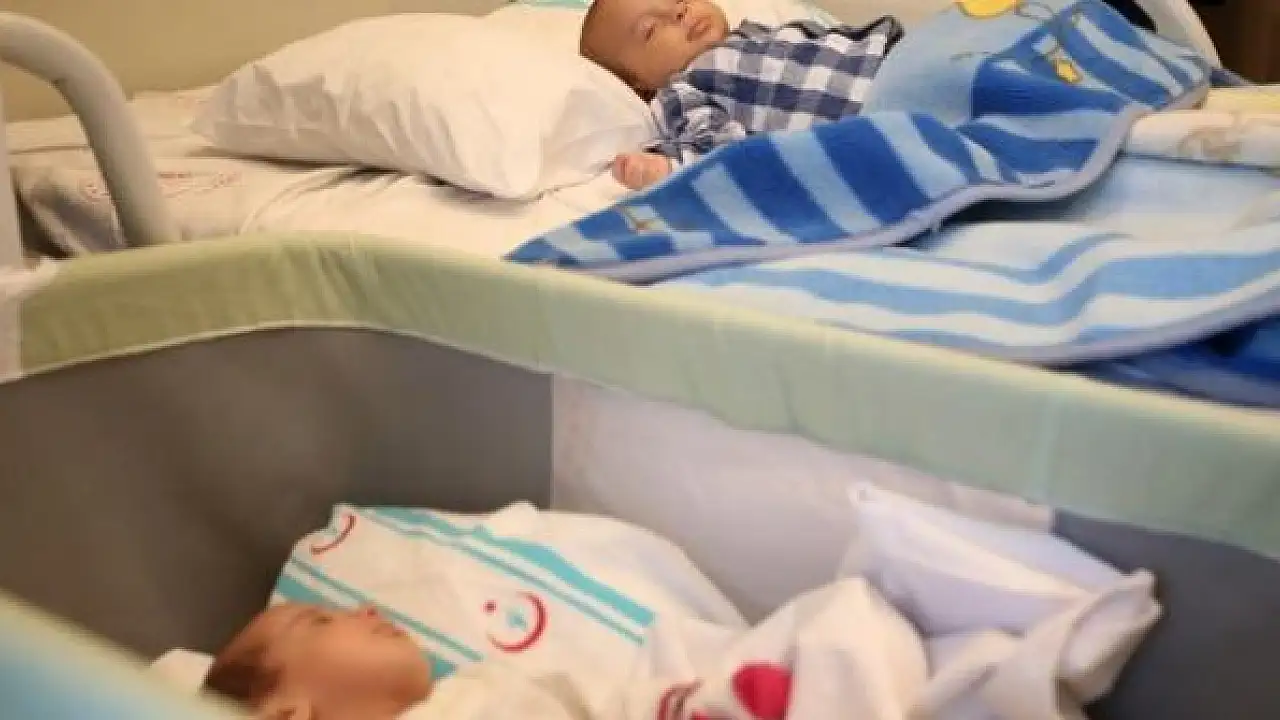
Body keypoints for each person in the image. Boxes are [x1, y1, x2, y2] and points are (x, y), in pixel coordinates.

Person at [578, 0, 905, 190]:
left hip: (896, 59)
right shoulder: (684, 88)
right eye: (650, 29)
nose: (679, 12)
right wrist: (664, 168)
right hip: (873, 122)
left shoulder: (756, 33)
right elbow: (717, 151)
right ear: (637, 82)